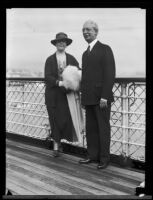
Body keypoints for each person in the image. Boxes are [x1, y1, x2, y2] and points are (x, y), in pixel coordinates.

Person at [79, 20, 116, 169]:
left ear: (96, 32)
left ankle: (104, 159)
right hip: (88, 97)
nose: (85, 32)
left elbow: (110, 74)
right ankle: (92, 156)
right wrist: (83, 98)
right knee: (91, 129)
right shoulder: (84, 53)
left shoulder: (105, 49)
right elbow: (86, 77)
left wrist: (105, 96)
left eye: (88, 30)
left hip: (101, 98)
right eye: (83, 30)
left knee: (103, 129)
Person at [44, 32, 83, 157]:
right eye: (59, 41)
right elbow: (48, 77)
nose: (61, 43)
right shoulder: (50, 59)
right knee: (54, 120)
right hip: (54, 95)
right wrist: (59, 82)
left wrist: (74, 81)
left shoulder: (71, 58)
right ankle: (56, 146)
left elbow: (79, 71)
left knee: (65, 120)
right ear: (55, 44)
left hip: (67, 96)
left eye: (64, 41)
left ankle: (61, 142)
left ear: (66, 44)